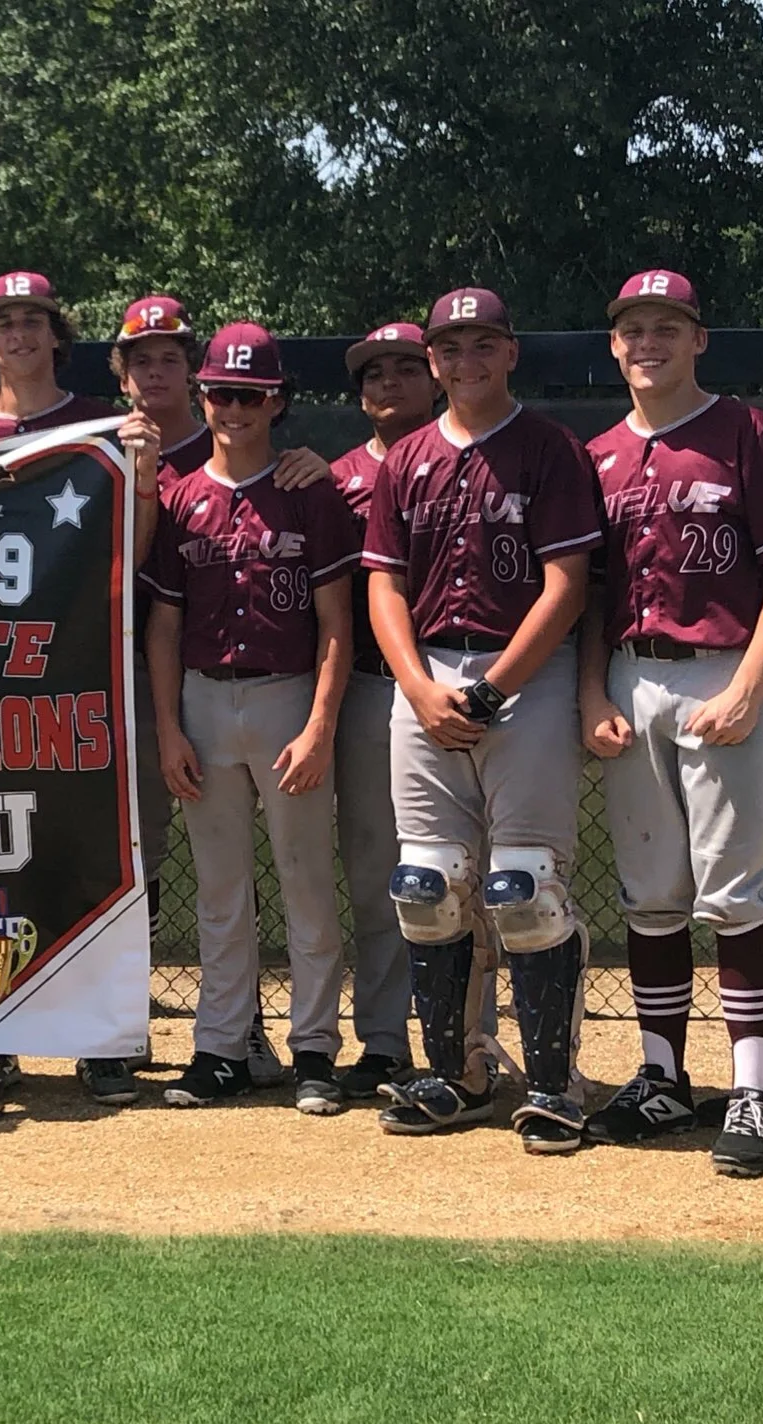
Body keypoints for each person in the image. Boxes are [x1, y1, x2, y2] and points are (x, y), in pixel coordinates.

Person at [577, 269, 763, 1178]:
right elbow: (590, 592)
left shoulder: (746, 432)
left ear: (698, 339)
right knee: (650, 893)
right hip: (631, 674)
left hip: (724, 670)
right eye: (634, 328)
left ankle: (754, 1091)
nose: (649, 342)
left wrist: (754, 682)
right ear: (615, 345)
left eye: (667, 327)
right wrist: (591, 695)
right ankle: (663, 1076)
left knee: (737, 894)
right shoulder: (599, 453)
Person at [362, 288, 600, 1153]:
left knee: (523, 888)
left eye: (483, 344)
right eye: (450, 347)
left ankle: (554, 1084)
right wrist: (418, 685)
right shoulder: (406, 459)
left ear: (510, 352)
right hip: (428, 673)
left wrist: (494, 690)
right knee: (425, 887)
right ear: (432, 360)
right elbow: (383, 584)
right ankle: (456, 1073)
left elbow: (568, 586)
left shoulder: (549, 449)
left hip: (524, 675)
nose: (466, 361)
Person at [141, 323, 360, 1114]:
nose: (234, 408)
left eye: (250, 395)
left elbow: (337, 621)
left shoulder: (308, 491)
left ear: (277, 402)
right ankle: (221, 1047)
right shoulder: (179, 497)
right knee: (220, 888)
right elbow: (162, 626)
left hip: (286, 696)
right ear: (202, 398)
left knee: (306, 879)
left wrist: (321, 724)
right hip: (204, 700)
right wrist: (169, 727)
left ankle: (315, 1048)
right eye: (221, 394)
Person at [322, 322, 441, 1097]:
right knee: (375, 872)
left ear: (435, 378)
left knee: (469, 870)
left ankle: (468, 1038)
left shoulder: (468, 457)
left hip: (457, 676)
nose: (389, 383)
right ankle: (384, 1039)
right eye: (374, 373)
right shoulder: (333, 478)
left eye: (405, 368)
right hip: (370, 685)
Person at [0, 271, 121, 459]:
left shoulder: (105, 428)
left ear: (55, 336)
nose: (19, 335)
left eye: (32, 322)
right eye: (6, 325)